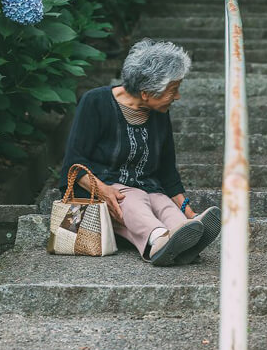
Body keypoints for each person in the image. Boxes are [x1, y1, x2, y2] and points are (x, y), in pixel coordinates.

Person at [59, 38, 221, 266]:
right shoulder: (95, 102)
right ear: (146, 93)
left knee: (162, 202)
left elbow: (167, 173)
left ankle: (184, 234)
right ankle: (158, 241)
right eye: (173, 90)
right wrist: (104, 190)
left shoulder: (159, 113)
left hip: (147, 189)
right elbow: (72, 164)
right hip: (103, 191)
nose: (177, 97)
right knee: (133, 200)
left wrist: (189, 212)